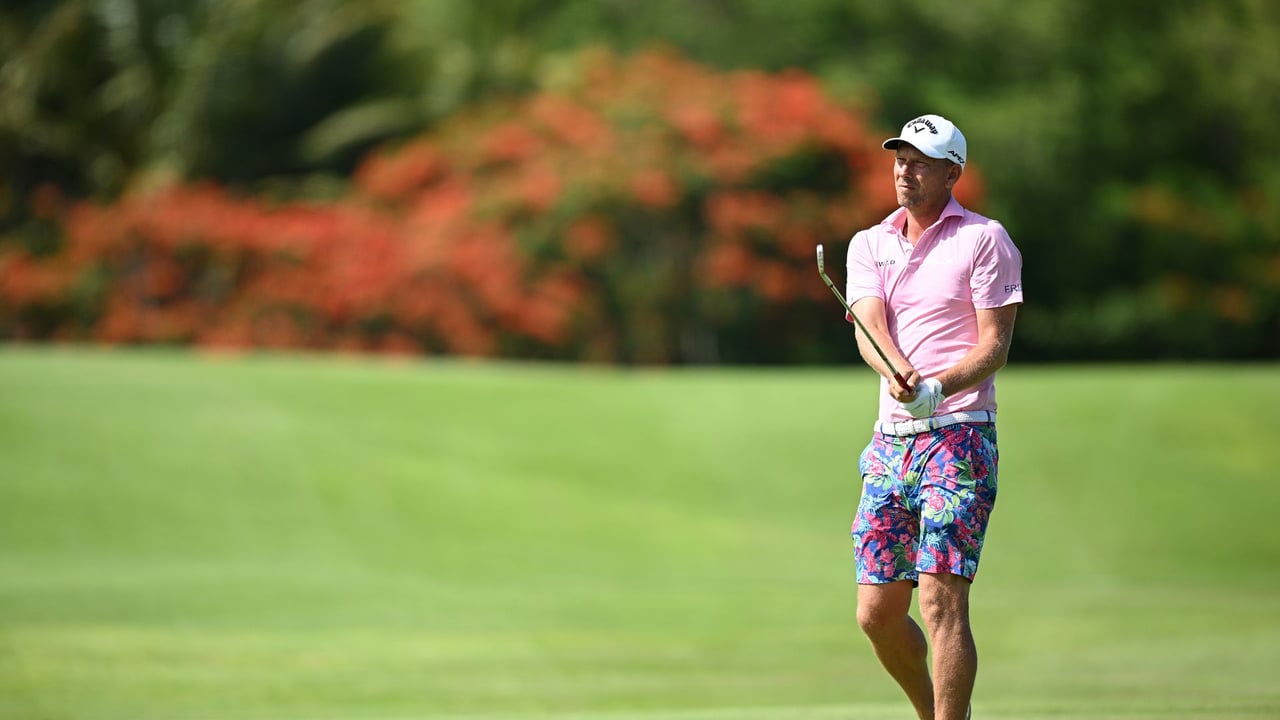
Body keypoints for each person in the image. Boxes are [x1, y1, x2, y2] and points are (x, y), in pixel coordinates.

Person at [842, 114, 1023, 720]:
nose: (905, 171)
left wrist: (938, 388)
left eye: (920, 162)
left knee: (941, 601)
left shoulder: (983, 239)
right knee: (876, 613)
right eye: (900, 159)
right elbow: (871, 329)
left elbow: (994, 346)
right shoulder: (869, 242)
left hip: (961, 438)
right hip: (890, 442)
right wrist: (902, 377)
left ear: (953, 172)